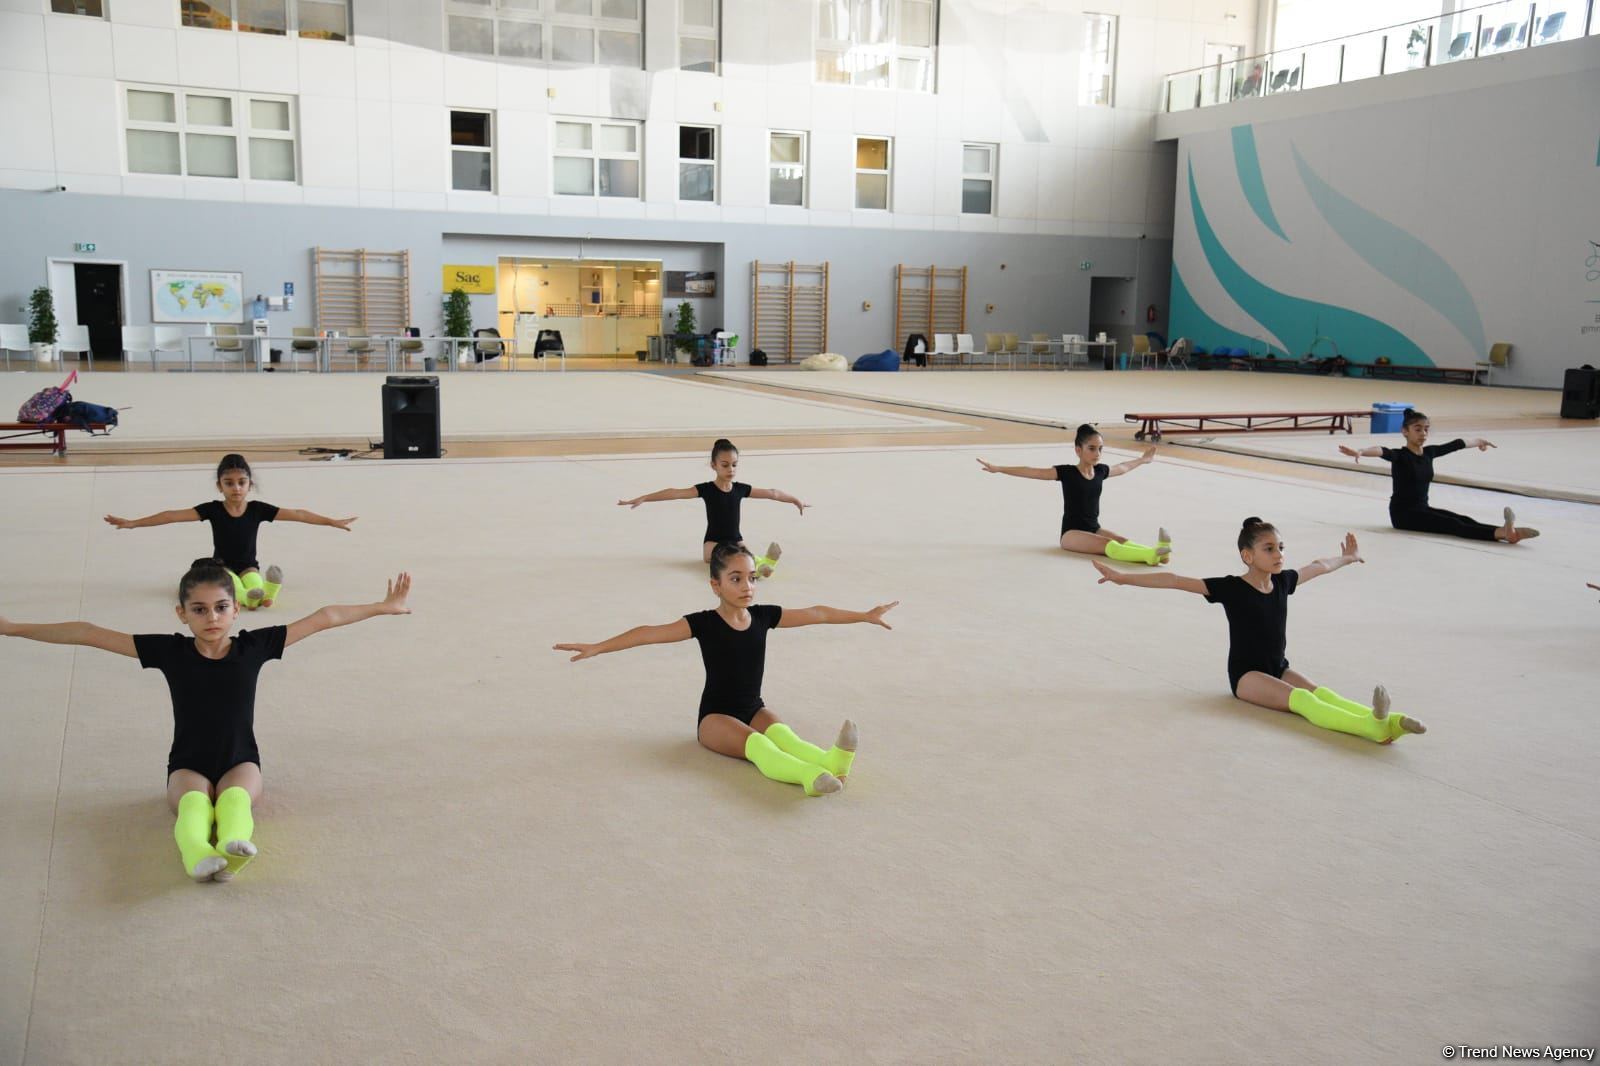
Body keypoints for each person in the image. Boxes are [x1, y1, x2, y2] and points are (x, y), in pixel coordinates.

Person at [0, 559, 413, 882]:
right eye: (199, 609)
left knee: (234, 800)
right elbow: (87, 632)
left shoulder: (256, 645)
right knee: (194, 805)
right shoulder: (169, 651)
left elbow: (325, 617)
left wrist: (383, 606)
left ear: (236, 609)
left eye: (220, 608)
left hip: (241, 760)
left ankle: (236, 849)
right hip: (188, 764)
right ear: (181, 613)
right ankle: (198, 854)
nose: (211, 617)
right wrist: (12, 628)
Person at [553, 542, 896, 797]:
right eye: (736, 579)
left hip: (753, 707)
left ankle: (834, 761)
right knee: (762, 748)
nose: (747, 586)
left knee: (785, 737)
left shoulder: (763, 616)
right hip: (714, 719)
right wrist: (598, 646)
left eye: (751, 578)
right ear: (716, 585)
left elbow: (816, 613)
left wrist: (864, 615)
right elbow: (648, 633)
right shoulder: (703, 623)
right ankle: (808, 777)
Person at [1092, 518, 1425, 743]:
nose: (1279, 554)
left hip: (1278, 666)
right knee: (1306, 702)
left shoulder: (1282, 582)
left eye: (1281, 547)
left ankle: (1388, 720)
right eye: (1269, 549)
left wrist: (1348, 558)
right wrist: (1123, 578)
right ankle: (1372, 728)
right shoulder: (1231, 588)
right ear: (1247, 555)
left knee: (1324, 694)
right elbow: (1175, 580)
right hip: (1247, 676)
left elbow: (1319, 566)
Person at [103, 453, 357, 608]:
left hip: (249, 564)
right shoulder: (212, 509)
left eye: (241, 482)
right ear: (219, 486)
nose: (236, 488)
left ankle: (262, 593)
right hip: (222, 565)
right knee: (230, 583)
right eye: (229, 483)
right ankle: (257, 598)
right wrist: (134, 522)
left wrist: (331, 521)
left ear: (250, 484)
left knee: (252, 578)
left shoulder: (258, 509)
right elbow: (172, 516)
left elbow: (298, 514)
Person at [977, 424, 1169, 564]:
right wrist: (999, 468)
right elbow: (1033, 471)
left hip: (1093, 528)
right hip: (1071, 534)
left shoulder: (1100, 471)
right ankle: (1150, 556)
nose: (1097, 454)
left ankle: (1157, 552)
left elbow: (1123, 467)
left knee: (1121, 540)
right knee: (1109, 545)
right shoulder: (1067, 473)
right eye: (1092, 448)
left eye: (1100, 449)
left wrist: (1143, 460)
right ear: (1078, 450)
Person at [1338, 410, 1538, 543]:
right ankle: (1504, 533)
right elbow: (1382, 451)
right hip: (1404, 515)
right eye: (1417, 429)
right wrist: (1362, 451)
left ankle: (1504, 532)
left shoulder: (1429, 453)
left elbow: (1456, 444)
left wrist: (1479, 441)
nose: (1423, 433)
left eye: (1426, 429)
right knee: (1452, 525)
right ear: (1405, 432)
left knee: (1461, 518)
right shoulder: (1400, 456)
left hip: (1422, 509)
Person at [618, 438, 804, 576]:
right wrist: (644, 497)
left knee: (745, 556)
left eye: (734, 465)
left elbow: (772, 493)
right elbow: (675, 493)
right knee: (729, 560)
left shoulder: (740, 489)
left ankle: (764, 565)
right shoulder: (706, 489)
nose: (730, 469)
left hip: (735, 538)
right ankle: (761, 567)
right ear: (713, 465)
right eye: (725, 465)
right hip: (713, 543)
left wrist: (795, 499)